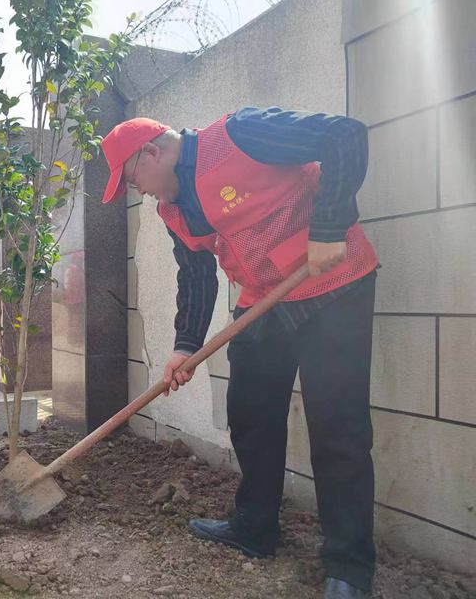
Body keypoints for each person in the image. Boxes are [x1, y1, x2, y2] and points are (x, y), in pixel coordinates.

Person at [101, 108, 378, 599]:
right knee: (250, 412)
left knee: (338, 425)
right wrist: (185, 347)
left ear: (152, 152)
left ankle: (349, 564)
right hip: (263, 298)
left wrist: (330, 229)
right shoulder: (173, 208)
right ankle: (255, 527)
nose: (137, 192)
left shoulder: (241, 134)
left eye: (132, 178)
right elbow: (196, 275)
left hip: (332, 284)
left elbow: (345, 136)